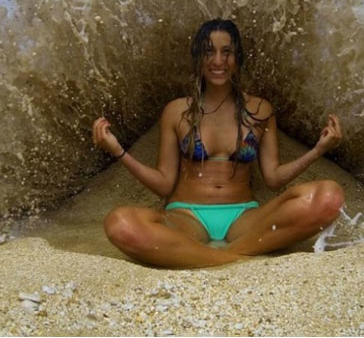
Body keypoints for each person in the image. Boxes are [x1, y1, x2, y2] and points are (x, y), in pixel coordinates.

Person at [92, 18, 344, 268]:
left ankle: (217, 254)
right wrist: (118, 151)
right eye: (209, 52)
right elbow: (164, 184)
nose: (218, 61)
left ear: (238, 58)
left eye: (227, 52)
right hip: (186, 216)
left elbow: (274, 178)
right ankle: (232, 259)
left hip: (244, 217)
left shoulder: (260, 109)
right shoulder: (176, 111)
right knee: (119, 223)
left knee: (329, 197)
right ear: (198, 58)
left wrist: (318, 150)